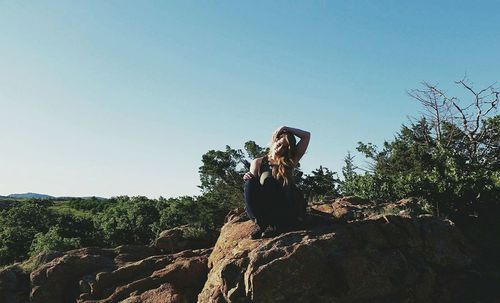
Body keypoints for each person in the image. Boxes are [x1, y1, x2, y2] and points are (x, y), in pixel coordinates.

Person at [243, 126, 311, 239]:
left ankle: (277, 224)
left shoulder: (289, 161)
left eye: (284, 148)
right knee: (250, 182)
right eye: (279, 145)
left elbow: (306, 136)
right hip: (265, 206)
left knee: (270, 182)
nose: (279, 149)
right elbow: (253, 189)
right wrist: (248, 177)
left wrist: (285, 128)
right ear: (274, 141)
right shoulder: (258, 162)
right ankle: (261, 223)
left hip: (285, 207)